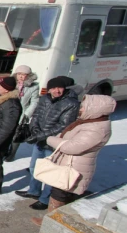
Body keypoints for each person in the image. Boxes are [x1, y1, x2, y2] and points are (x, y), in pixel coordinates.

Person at [31, 95, 116, 225]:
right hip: (69, 164)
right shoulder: (88, 122)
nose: (80, 109)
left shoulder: (97, 129)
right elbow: (67, 136)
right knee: (60, 193)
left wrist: (47, 139)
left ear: (96, 109)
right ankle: (53, 220)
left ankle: (51, 223)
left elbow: (72, 147)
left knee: (60, 194)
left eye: (83, 106)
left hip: (74, 168)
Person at [16, 76, 80, 210]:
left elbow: (63, 126)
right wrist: (34, 130)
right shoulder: (44, 99)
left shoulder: (71, 103)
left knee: (51, 172)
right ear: (49, 89)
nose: (57, 91)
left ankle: (45, 199)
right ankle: (33, 191)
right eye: (53, 88)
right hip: (40, 140)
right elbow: (36, 116)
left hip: (54, 143)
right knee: (35, 167)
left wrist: (39, 135)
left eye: (59, 88)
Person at [4, 65, 39, 162]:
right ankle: (4, 151)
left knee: (16, 135)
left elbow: (34, 102)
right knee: (6, 133)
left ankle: (12, 154)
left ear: (29, 76)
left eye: (24, 75)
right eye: (19, 74)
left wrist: (27, 114)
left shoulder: (33, 86)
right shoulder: (11, 83)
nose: (21, 76)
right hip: (9, 112)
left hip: (21, 113)